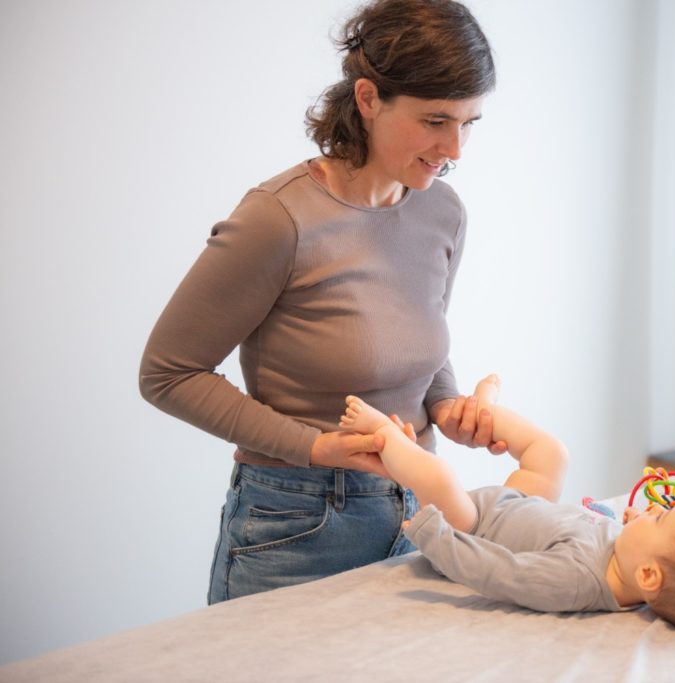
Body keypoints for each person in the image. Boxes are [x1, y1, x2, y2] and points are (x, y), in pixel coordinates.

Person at [139, 0, 502, 604]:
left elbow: (418, 336)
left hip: (420, 515)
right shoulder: (278, 218)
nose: (456, 148)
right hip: (296, 527)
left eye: (469, 123)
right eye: (436, 120)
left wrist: (446, 407)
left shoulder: (443, 211)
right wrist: (313, 447)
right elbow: (167, 374)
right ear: (368, 98)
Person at [339, 375, 675, 629]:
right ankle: (484, 411)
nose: (653, 511)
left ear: (649, 575)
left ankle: (384, 436)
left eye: (660, 520)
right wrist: (634, 522)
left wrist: (438, 538)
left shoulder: (574, 581)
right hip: (524, 506)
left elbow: (502, 573)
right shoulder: (632, 560)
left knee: (440, 478)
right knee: (552, 453)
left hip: (477, 527)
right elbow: (591, 529)